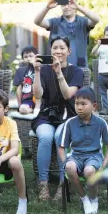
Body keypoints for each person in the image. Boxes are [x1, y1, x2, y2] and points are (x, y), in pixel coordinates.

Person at [32, 36, 84, 201]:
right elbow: (37, 94)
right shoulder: (44, 69)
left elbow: (68, 94)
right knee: (46, 137)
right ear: (50, 50)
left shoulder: (76, 71)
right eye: (55, 48)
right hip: (46, 115)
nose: (58, 51)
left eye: (62, 48)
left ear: (69, 51)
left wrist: (59, 72)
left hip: (69, 116)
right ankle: (43, 184)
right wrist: (37, 72)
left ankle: (64, 183)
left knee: (59, 137)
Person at [58, 87, 108, 214]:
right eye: (77, 103)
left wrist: (104, 165)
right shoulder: (70, 123)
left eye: (83, 104)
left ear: (93, 106)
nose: (79, 107)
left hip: (94, 156)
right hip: (76, 156)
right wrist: (64, 162)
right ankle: (84, 199)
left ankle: (94, 199)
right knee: (69, 166)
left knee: (89, 171)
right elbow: (61, 147)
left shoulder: (101, 123)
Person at [34, 0, 100, 68]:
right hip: (57, 68)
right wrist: (47, 8)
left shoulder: (83, 22)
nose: (66, 7)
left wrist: (78, 7)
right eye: (63, 5)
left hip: (80, 68)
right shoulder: (54, 22)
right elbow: (37, 22)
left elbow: (96, 19)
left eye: (69, 4)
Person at [12, 45, 40, 114]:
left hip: (40, 99)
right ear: (22, 58)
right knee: (22, 109)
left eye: (31, 56)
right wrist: (19, 105)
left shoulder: (41, 68)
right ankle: (33, 110)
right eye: (26, 57)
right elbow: (19, 89)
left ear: (36, 56)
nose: (28, 58)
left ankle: (38, 108)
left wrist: (36, 66)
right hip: (27, 100)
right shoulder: (20, 71)